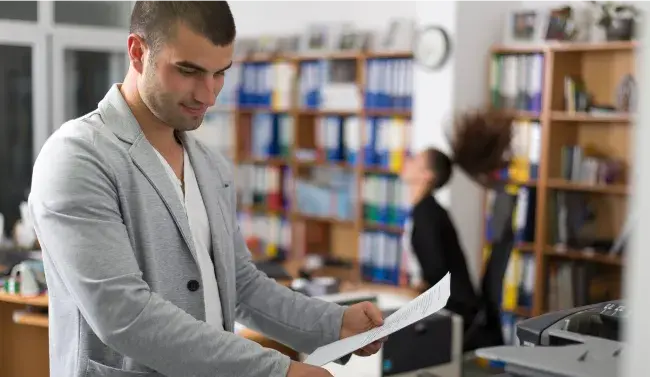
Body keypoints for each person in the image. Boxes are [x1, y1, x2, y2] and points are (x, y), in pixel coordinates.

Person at [28, 1, 385, 377]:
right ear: (137, 52)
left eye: (220, 74)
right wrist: (274, 371)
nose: (209, 95)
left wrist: (333, 323)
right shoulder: (78, 157)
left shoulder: (210, 166)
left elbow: (239, 284)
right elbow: (124, 315)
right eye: (189, 71)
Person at [399, 110, 513, 329]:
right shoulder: (426, 211)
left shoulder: (427, 216)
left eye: (415, 159)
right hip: (451, 309)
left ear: (427, 176)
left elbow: (433, 282)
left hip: (453, 315)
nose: (407, 161)